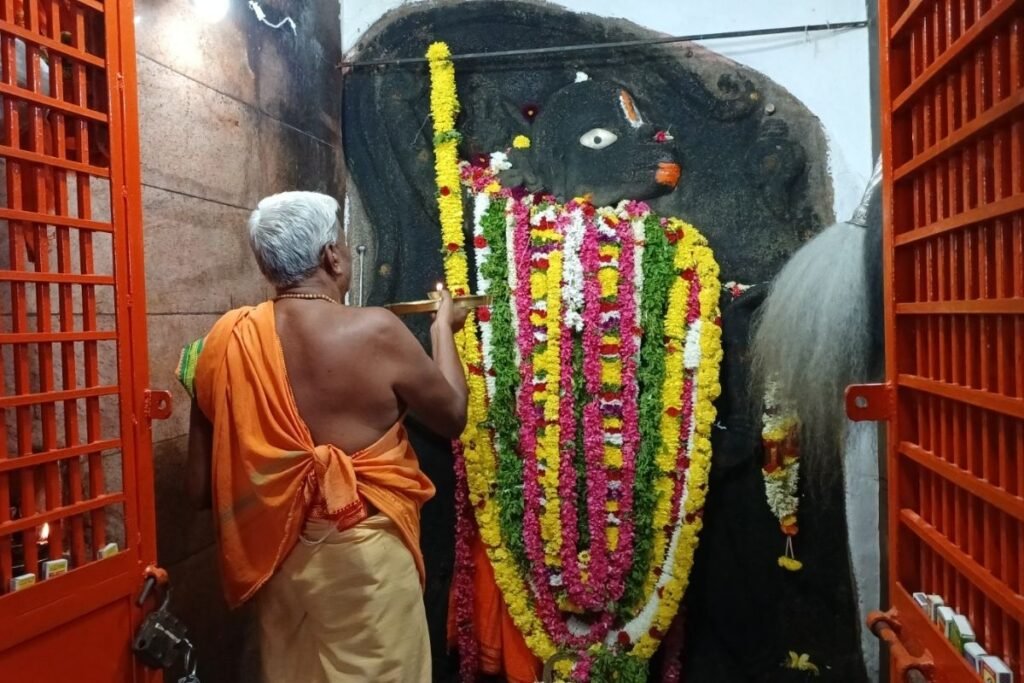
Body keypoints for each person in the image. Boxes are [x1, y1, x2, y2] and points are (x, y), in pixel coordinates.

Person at [182, 191, 468, 683]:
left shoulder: (221, 346)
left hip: (278, 556)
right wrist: (444, 328)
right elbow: (452, 415)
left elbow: (197, 490)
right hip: (366, 562)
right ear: (331, 255)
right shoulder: (377, 330)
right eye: (342, 239)